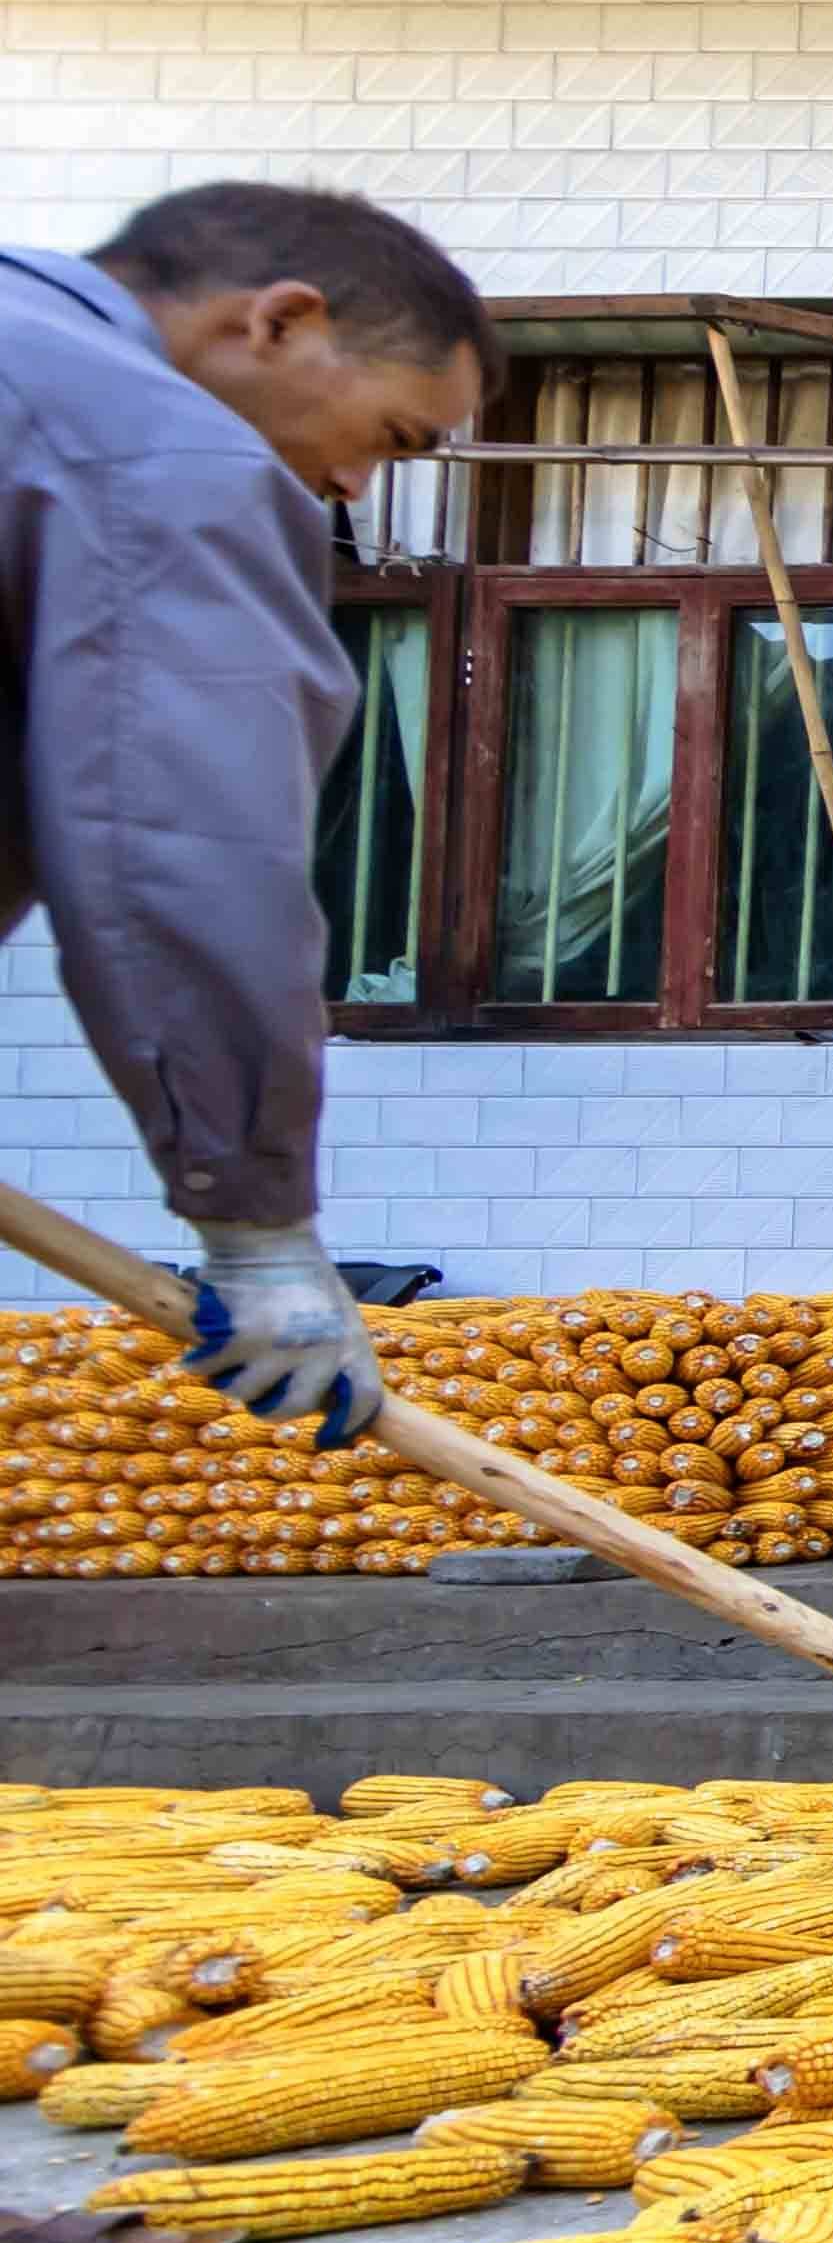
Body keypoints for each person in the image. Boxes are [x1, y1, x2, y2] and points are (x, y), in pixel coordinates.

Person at [3, 183, 494, 1444]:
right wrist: (255, 1219)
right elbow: (177, 854)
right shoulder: (159, 449)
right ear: (278, 321)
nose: (348, 486)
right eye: (392, 436)